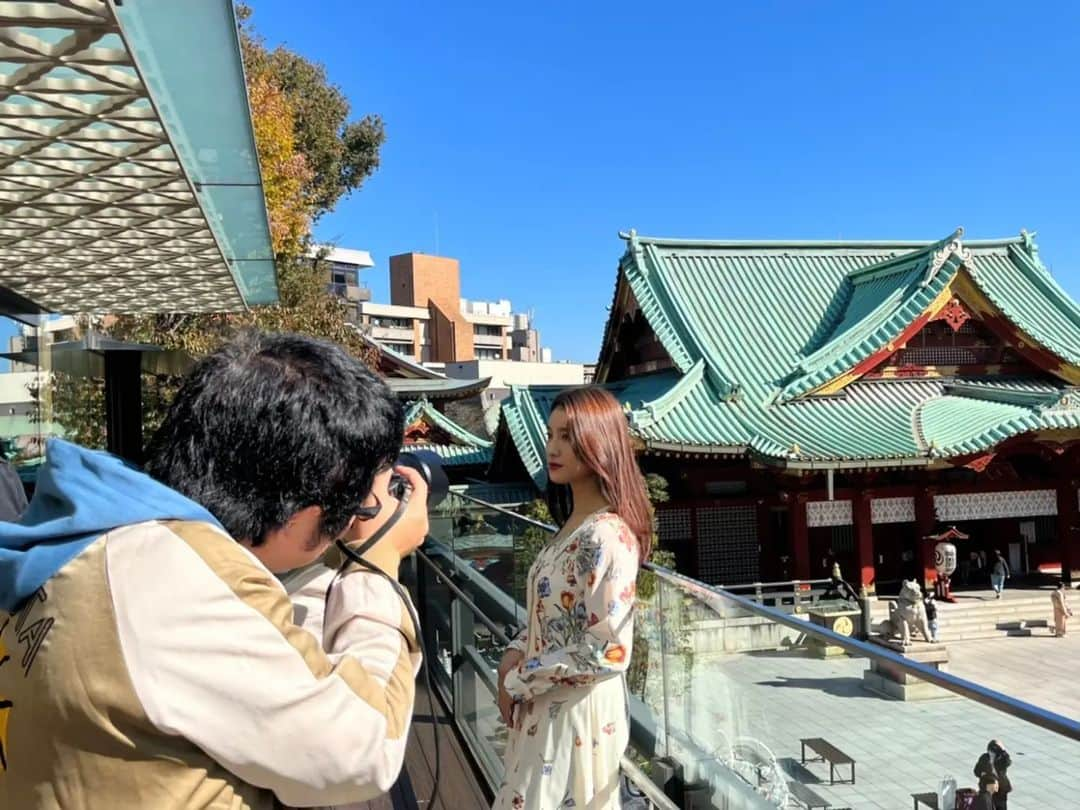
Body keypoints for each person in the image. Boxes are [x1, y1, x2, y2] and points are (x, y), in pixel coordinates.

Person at [0, 332, 428, 809]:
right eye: (352, 507)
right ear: (299, 513)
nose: (353, 520)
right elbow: (364, 748)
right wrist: (377, 565)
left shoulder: (96, 539)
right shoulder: (173, 582)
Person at [493, 387, 651, 810]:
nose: (553, 447)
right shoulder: (574, 526)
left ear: (599, 441)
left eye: (568, 435)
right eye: (551, 434)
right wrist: (513, 652)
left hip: (577, 717)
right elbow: (556, 617)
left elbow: (610, 651)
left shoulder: (608, 535)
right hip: (547, 707)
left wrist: (519, 676)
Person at [973, 738, 1012, 810]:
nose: (992, 754)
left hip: (1001, 789)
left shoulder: (1001, 758)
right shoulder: (984, 757)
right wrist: (984, 774)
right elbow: (976, 771)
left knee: (1000, 806)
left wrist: (1003, 750)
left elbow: (1008, 762)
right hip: (988, 788)